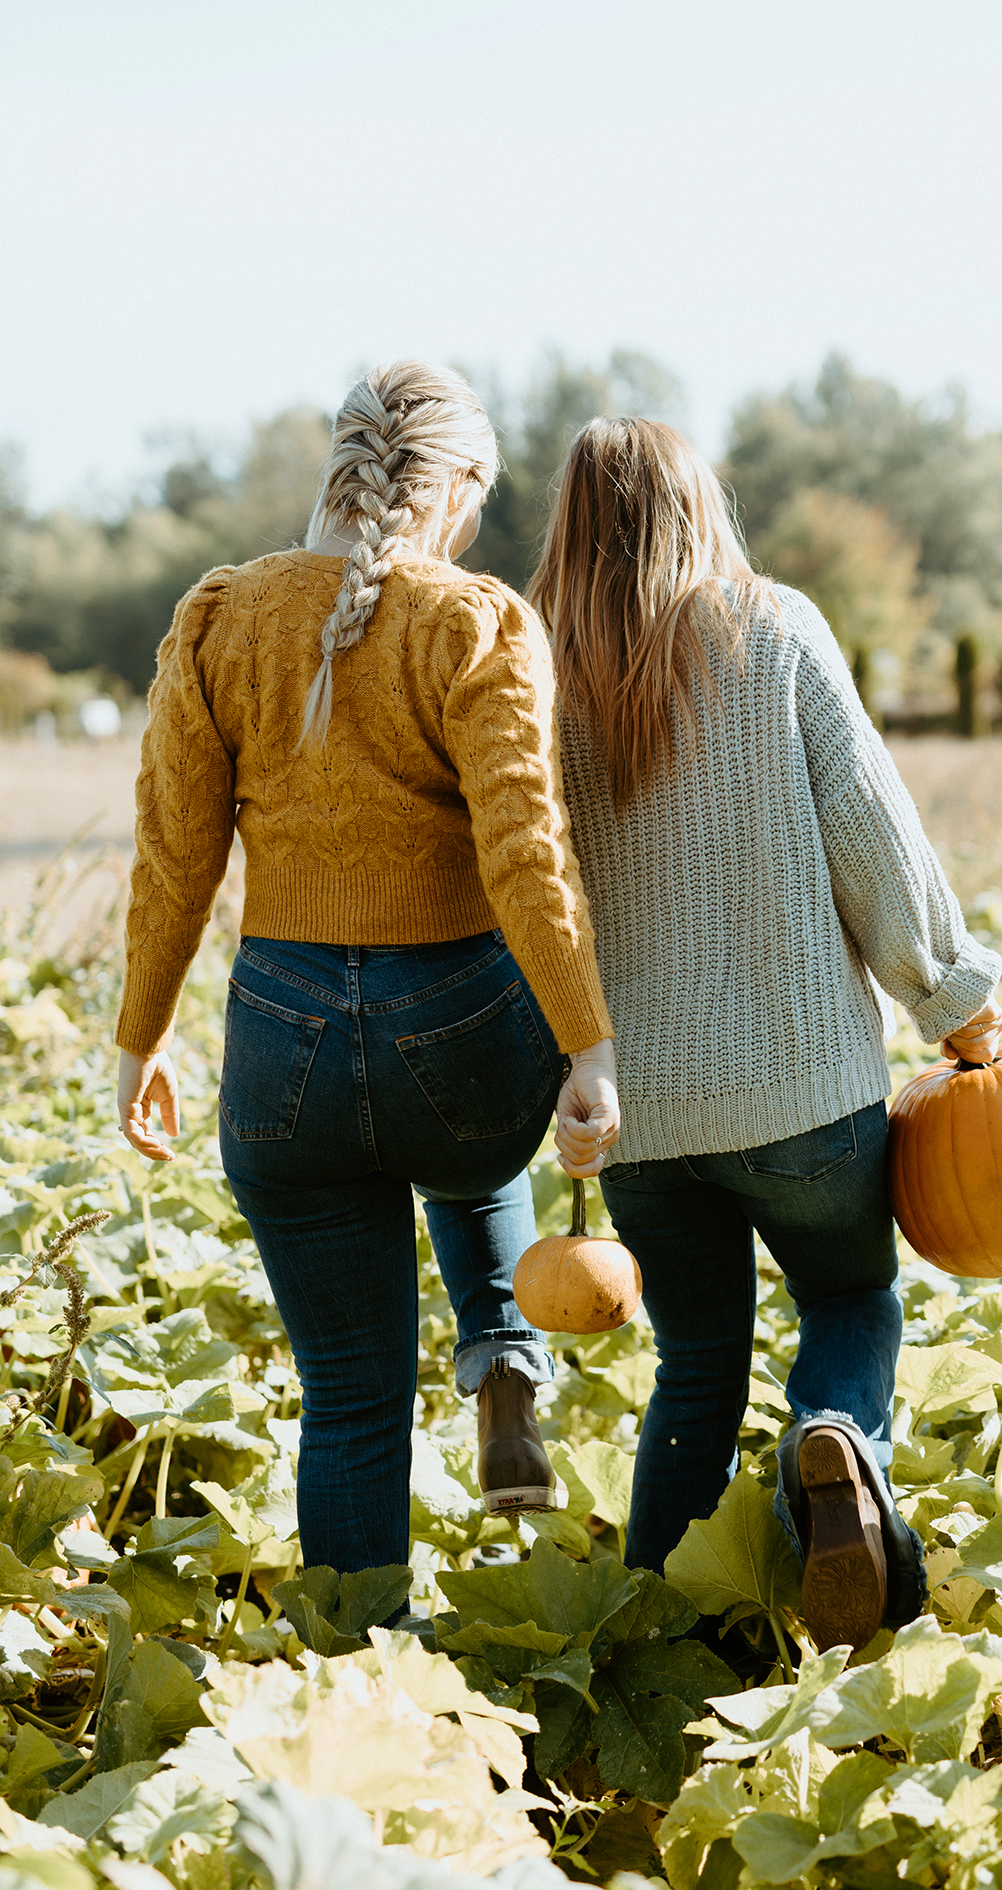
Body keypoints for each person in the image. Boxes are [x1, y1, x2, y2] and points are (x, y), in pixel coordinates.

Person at [114, 361, 619, 1579]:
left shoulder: (218, 616)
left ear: (338, 470)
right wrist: (586, 1044)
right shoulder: (478, 619)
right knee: (466, 1118)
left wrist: (140, 1038)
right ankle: (502, 1339)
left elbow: (174, 853)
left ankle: (358, 1671)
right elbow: (523, 851)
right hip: (459, 1043)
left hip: (280, 1044)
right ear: (461, 492)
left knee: (347, 1403)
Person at [532, 418, 1002, 1654]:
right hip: (804, 1094)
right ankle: (834, 1440)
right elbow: (871, 834)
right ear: (700, 505)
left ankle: (653, 1639)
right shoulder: (773, 627)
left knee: (692, 1364)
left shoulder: (533, 671)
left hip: (636, 1115)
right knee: (849, 1295)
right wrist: (953, 1001)